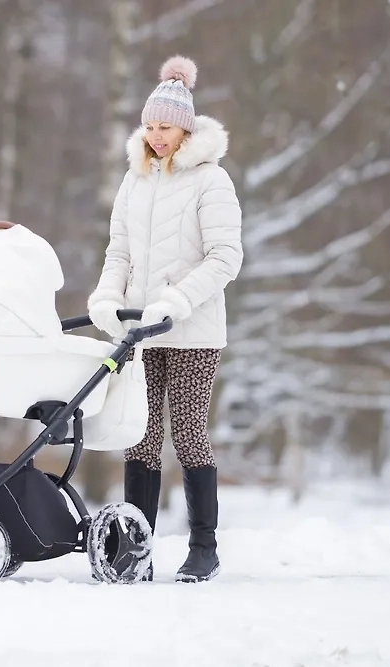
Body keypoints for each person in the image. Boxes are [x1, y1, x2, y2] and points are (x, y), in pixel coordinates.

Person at [86, 55, 243, 583]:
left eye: (165, 127)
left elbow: (225, 257)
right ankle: (137, 548)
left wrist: (176, 301)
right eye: (149, 126)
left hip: (194, 330)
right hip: (142, 331)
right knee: (141, 434)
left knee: (190, 434)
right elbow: (119, 252)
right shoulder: (135, 183)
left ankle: (204, 547)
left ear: (186, 128)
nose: (156, 136)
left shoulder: (211, 181)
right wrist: (107, 299)